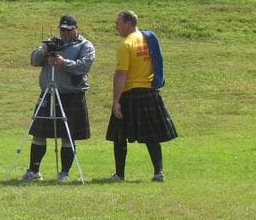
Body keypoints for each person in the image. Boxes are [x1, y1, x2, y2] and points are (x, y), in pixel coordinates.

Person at [21, 15, 95, 182]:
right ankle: (33, 171)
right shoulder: (51, 42)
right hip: (49, 93)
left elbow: (84, 65)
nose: (65, 33)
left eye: (69, 30)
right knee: (39, 132)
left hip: (72, 94)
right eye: (62, 29)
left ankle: (64, 174)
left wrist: (64, 62)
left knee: (68, 135)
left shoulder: (85, 45)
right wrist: (44, 51)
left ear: (76, 29)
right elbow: (34, 60)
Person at [107, 10, 177, 181]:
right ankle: (158, 172)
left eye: (118, 22)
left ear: (128, 23)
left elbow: (121, 74)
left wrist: (116, 101)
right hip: (149, 92)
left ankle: (120, 174)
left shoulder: (125, 45)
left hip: (130, 92)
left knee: (120, 135)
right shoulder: (147, 39)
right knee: (151, 135)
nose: (116, 26)